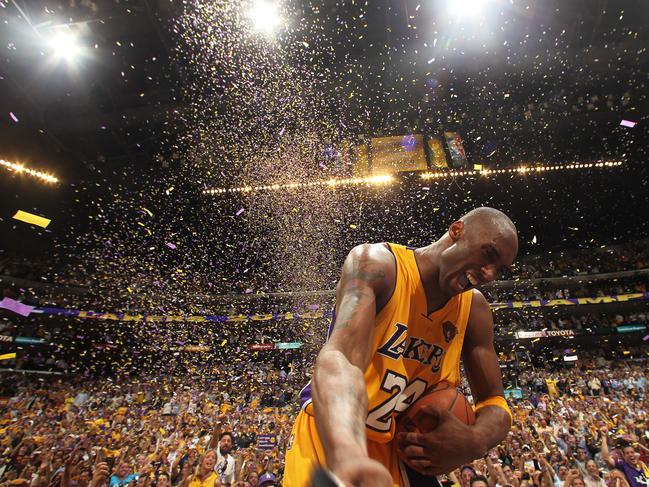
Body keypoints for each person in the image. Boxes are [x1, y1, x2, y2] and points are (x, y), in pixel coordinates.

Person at [284, 207, 519, 486]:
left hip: (402, 452)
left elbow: (494, 401)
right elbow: (340, 359)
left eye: (500, 269)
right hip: (334, 436)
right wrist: (347, 451)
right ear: (457, 231)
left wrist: (475, 440)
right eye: (489, 254)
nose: (490, 273)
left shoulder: (475, 310)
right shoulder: (377, 265)